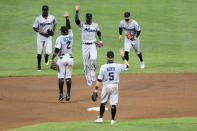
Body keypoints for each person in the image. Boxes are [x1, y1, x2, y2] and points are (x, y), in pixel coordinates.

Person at [91, 49, 129, 125]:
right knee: (113, 104)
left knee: (103, 103)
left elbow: (99, 79)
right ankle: (112, 120)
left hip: (106, 87)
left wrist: (95, 90)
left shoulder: (103, 67)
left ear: (107, 57)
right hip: (115, 86)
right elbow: (127, 66)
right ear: (113, 57)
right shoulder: (118, 66)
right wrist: (122, 56)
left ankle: (100, 118)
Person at [75, 3, 103, 86]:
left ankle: (93, 73)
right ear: (86, 18)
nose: (89, 20)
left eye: (90, 18)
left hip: (93, 45)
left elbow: (98, 32)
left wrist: (100, 40)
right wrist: (77, 11)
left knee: (94, 59)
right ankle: (88, 78)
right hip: (85, 46)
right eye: (88, 18)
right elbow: (76, 20)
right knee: (86, 63)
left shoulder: (95, 25)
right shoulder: (82, 25)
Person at [50, 11, 73, 102]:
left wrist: (52, 58)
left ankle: (61, 94)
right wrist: (67, 18)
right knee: (68, 77)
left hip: (61, 59)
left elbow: (57, 50)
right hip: (70, 59)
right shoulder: (71, 35)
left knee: (60, 77)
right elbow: (69, 26)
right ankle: (68, 94)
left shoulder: (59, 38)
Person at [33, 5, 57, 71]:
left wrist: (53, 31)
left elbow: (55, 23)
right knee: (39, 52)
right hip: (40, 37)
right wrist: (38, 30)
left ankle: (46, 56)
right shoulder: (38, 18)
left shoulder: (52, 17)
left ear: (47, 10)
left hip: (48, 37)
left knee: (49, 52)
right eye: (44, 10)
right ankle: (39, 66)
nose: (45, 11)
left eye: (46, 10)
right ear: (42, 10)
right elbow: (34, 27)